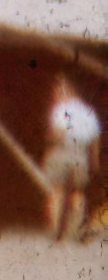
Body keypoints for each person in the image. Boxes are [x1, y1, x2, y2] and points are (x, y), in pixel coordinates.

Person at [46, 74, 101, 245]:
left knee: (57, 191)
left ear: (65, 90)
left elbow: (58, 133)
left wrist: (49, 141)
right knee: (78, 193)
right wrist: (94, 162)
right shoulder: (89, 112)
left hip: (63, 150)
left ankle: (57, 232)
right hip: (81, 154)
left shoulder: (61, 109)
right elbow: (95, 140)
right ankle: (73, 232)